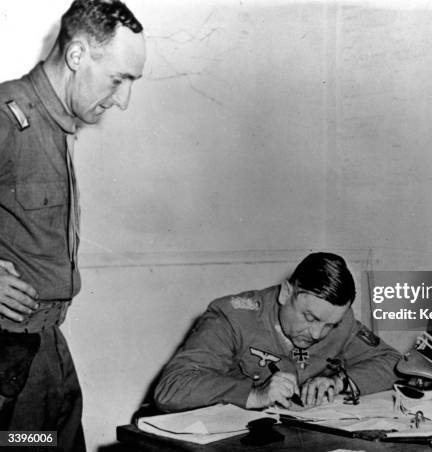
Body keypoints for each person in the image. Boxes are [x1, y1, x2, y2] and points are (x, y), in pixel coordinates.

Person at [0, 1, 146, 449]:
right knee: (25, 446)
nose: (122, 100)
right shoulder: (7, 117)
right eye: (118, 79)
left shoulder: (56, 125)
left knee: (50, 445)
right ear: (78, 55)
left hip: (46, 349)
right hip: (9, 355)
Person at [154, 252, 401, 411]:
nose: (317, 334)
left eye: (330, 325)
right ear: (286, 293)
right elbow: (171, 388)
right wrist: (255, 394)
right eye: (310, 317)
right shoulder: (233, 318)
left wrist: (338, 382)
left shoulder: (340, 320)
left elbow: (394, 363)